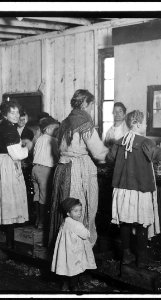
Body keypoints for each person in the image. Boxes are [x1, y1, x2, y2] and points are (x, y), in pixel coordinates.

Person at [107, 110, 161, 268]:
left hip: (122, 189)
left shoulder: (119, 141)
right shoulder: (146, 142)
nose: (146, 125)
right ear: (137, 124)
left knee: (125, 222)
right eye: (145, 123)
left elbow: (110, 158)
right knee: (142, 223)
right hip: (141, 189)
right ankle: (142, 258)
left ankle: (126, 255)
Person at [48, 89, 109, 250]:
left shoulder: (65, 122)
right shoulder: (84, 122)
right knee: (81, 206)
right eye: (90, 105)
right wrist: (109, 156)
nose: (90, 109)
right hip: (77, 169)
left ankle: (63, 248)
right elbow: (97, 151)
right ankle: (80, 248)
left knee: (64, 208)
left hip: (62, 168)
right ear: (84, 104)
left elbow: (57, 149)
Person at [0, 100, 32, 248]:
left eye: (18, 112)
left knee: (6, 202)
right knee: (9, 202)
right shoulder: (9, 128)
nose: (16, 115)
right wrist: (28, 147)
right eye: (12, 112)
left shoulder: (6, 126)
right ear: (5, 114)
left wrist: (21, 144)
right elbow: (17, 154)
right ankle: (9, 242)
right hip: (6, 167)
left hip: (4, 164)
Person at [51, 197, 97, 291]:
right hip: (75, 251)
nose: (79, 213)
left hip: (66, 251)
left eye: (80, 210)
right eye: (76, 211)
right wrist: (87, 229)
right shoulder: (77, 224)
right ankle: (74, 287)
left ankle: (65, 284)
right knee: (75, 270)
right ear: (68, 213)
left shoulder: (65, 221)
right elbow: (85, 234)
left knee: (66, 268)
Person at [31, 116, 60, 230]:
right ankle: (42, 222)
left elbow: (34, 153)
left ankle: (37, 220)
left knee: (37, 195)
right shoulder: (53, 140)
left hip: (35, 169)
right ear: (47, 129)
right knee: (45, 197)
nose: (57, 131)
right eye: (55, 129)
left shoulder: (39, 139)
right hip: (45, 170)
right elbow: (57, 156)